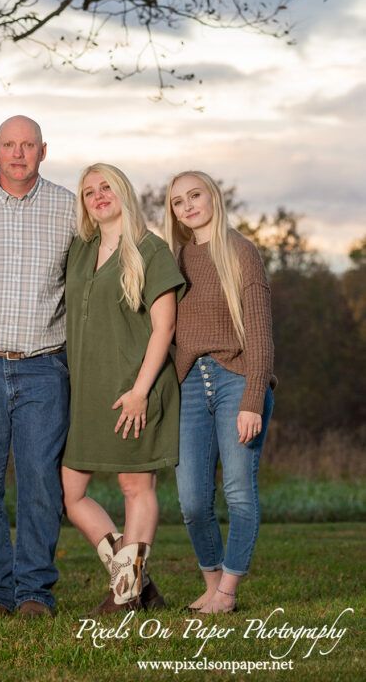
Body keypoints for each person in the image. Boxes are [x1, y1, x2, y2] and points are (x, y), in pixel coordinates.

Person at [0, 115, 76, 617]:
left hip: (45, 366)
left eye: (28, 145)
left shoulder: (70, 208)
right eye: (10, 145)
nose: (19, 153)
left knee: (41, 484)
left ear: (43, 151)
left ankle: (33, 592)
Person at [62, 164, 185, 614]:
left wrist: (139, 392)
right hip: (88, 391)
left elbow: (164, 327)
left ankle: (124, 595)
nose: (98, 195)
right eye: (89, 191)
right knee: (70, 493)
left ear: (123, 192)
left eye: (106, 186)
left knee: (136, 487)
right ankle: (137, 581)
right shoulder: (81, 248)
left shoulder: (151, 250)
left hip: (136, 390)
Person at [165, 171, 276, 614]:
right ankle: (212, 585)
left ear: (213, 197)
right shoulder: (177, 259)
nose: (188, 206)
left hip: (237, 378)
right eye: (178, 202)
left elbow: (262, 336)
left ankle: (228, 593)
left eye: (195, 195)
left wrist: (252, 399)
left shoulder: (241, 252)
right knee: (192, 499)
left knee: (238, 490)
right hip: (190, 382)